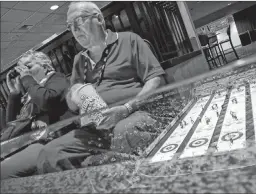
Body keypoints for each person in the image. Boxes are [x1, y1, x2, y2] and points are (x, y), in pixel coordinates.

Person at [36, 1, 166, 174]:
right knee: (49, 153)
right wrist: (74, 94)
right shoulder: (79, 60)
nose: (74, 29)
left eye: (78, 21)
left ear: (98, 19)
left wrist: (127, 108)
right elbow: (73, 107)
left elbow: (156, 79)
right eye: (69, 26)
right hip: (95, 128)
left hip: (132, 114)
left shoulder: (129, 40)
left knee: (124, 131)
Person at [1, 51, 70, 179]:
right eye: (22, 70)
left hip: (47, 142)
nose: (24, 72)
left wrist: (27, 79)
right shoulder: (31, 93)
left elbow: (47, 101)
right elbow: (13, 128)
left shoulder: (57, 79)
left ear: (45, 67)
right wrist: (14, 96)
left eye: (29, 66)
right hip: (26, 143)